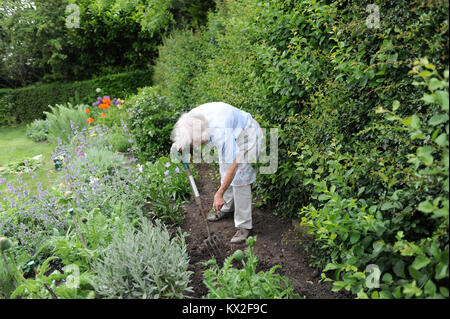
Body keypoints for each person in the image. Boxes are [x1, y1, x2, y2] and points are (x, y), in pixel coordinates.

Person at [171, 102, 263, 244]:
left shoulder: (221, 132)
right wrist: (180, 143)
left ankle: (244, 225)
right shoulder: (191, 119)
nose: (196, 146)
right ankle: (227, 206)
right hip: (231, 133)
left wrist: (218, 193)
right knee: (223, 170)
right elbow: (185, 131)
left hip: (246, 135)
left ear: (206, 134)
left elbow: (234, 167)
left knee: (240, 178)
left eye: (197, 142)